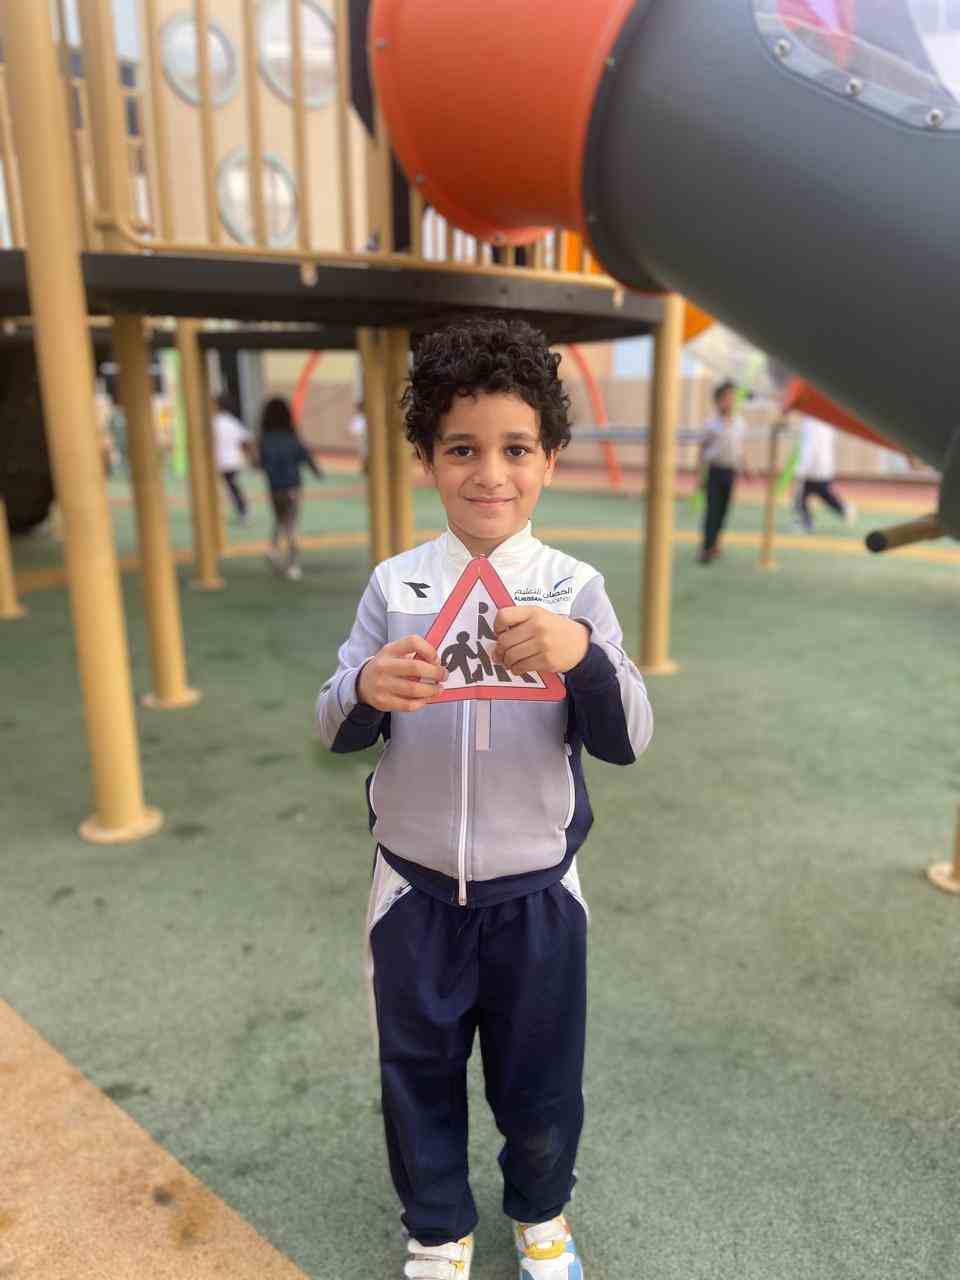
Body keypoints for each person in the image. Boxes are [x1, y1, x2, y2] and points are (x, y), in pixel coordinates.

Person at [316, 317, 653, 1280]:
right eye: (462, 449)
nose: (490, 474)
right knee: (416, 1075)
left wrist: (583, 657)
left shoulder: (573, 588)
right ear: (426, 458)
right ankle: (437, 1230)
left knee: (540, 1082)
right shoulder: (396, 584)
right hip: (413, 893)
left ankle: (541, 1216)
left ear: (549, 458)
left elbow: (629, 737)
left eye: (515, 448)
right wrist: (365, 686)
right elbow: (334, 722)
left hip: (538, 896)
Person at [257, 396, 322, 581]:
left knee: (280, 518)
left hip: (275, 488)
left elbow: (260, 464)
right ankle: (293, 565)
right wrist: (317, 471)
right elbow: (306, 457)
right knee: (291, 526)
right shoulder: (292, 438)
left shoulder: (265, 439)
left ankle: (273, 548)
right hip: (293, 487)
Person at [696, 378, 751, 564]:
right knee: (712, 510)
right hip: (714, 472)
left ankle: (715, 543)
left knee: (723, 511)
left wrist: (746, 469)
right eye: (726, 398)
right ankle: (706, 548)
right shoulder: (710, 423)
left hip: (730, 472)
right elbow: (703, 450)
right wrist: (700, 475)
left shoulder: (740, 423)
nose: (730, 401)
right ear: (718, 401)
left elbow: (740, 449)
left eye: (732, 397)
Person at [793, 414, 856, 531]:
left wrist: (801, 468)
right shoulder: (825, 420)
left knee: (800, 496)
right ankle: (843, 509)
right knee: (822, 493)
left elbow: (810, 446)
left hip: (813, 467)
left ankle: (806, 523)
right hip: (823, 465)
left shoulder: (811, 422)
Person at [211, 393, 252, 522]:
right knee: (232, 486)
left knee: (227, 487)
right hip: (233, 460)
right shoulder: (233, 421)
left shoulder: (214, 422)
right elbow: (245, 440)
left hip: (220, 460)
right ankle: (242, 509)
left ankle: (241, 509)